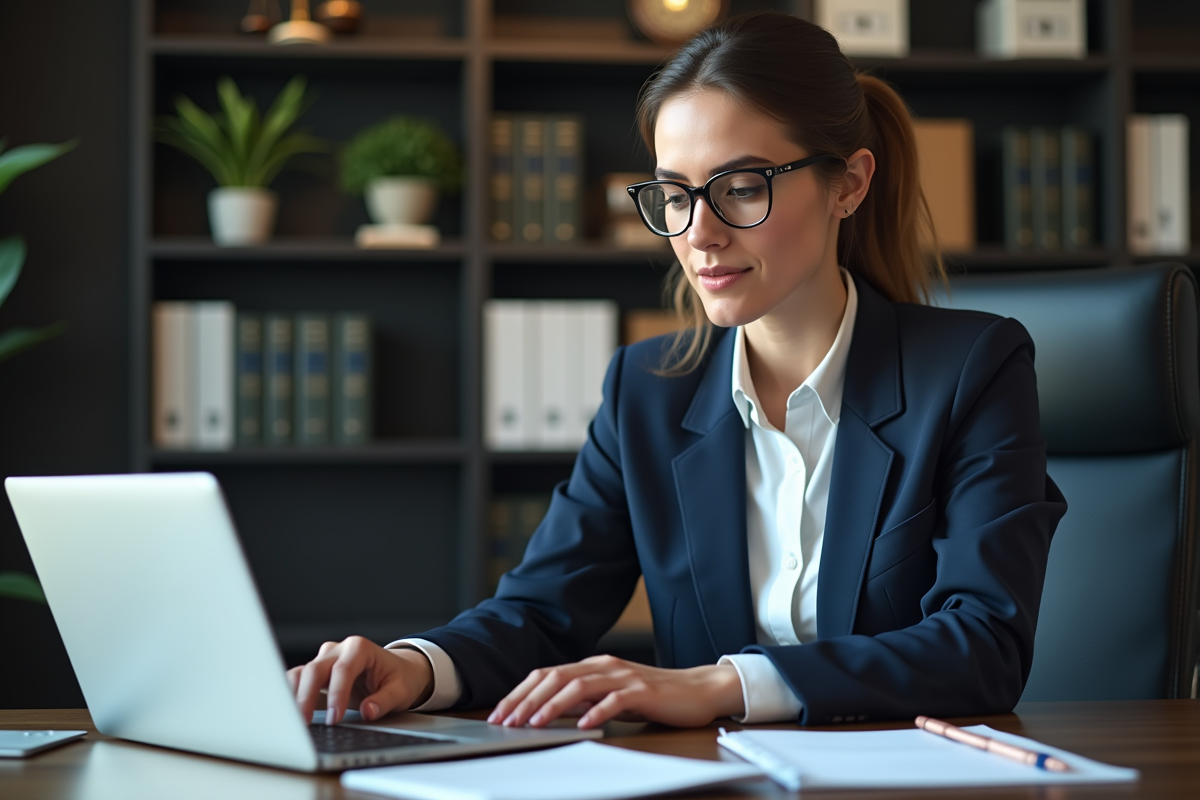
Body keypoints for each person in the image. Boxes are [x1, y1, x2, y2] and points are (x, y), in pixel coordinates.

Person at [289, 11, 1067, 730]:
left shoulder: (973, 369)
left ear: (849, 184)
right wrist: (416, 667)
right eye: (674, 195)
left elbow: (983, 643)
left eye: (739, 188)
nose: (699, 234)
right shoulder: (647, 391)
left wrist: (723, 684)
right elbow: (541, 611)